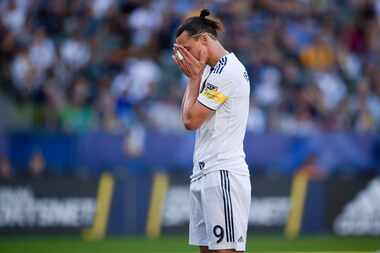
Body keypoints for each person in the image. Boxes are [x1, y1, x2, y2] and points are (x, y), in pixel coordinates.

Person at [172, 9, 251, 253]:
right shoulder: (210, 72)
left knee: (224, 251)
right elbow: (188, 117)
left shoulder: (228, 71)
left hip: (223, 172)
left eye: (186, 47)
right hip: (204, 172)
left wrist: (193, 80)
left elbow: (190, 120)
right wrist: (193, 78)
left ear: (204, 40)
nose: (183, 55)